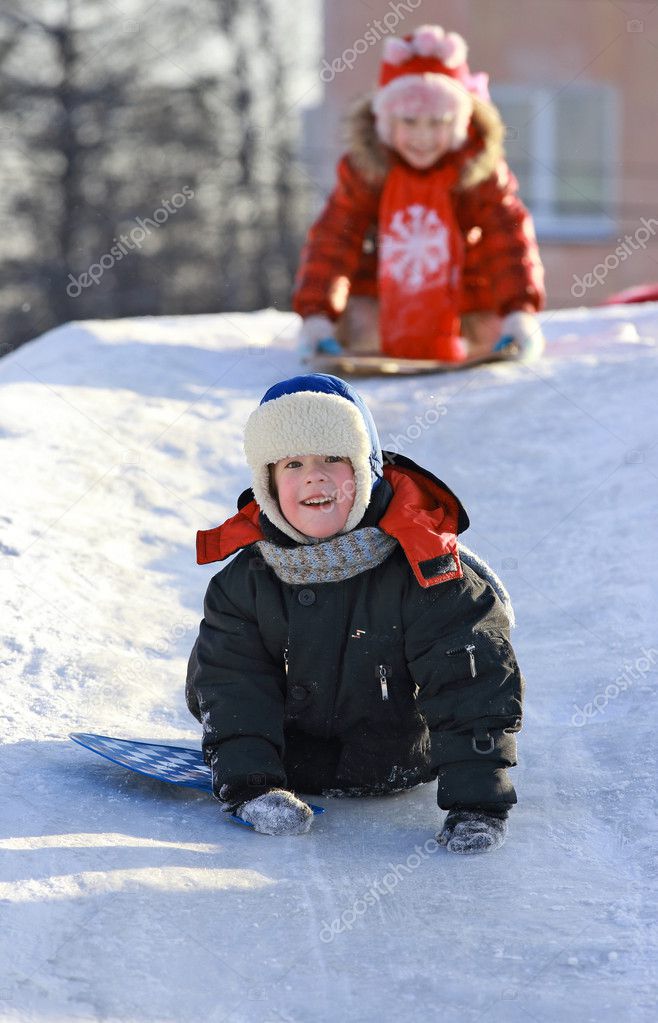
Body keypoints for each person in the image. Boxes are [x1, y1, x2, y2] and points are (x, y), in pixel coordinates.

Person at [186, 373, 525, 853]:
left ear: (365, 470)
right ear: (267, 484)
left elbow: (470, 685)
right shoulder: (245, 583)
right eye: (293, 463)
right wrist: (251, 784)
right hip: (293, 766)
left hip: (401, 760)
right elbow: (232, 682)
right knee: (212, 659)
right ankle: (249, 761)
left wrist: (477, 804)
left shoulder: (424, 570)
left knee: (470, 654)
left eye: (332, 458)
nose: (314, 476)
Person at [293, 24, 545, 363]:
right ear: (386, 123)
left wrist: (518, 310)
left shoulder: (477, 172)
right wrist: (317, 314)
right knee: (362, 326)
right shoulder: (368, 169)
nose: (422, 137)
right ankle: (362, 342)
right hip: (384, 288)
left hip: (464, 293)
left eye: (437, 122)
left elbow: (507, 237)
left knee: (490, 331)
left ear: (458, 123)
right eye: (409, 122)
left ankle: (487, 347)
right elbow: (335, 238)